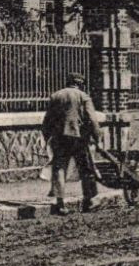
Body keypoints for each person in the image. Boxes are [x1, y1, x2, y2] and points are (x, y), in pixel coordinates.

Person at [42, 71, 101, 215]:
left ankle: (60, 204)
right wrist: (97, 138)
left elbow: (47, 121)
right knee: (85, 169)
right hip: (79, 138)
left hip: (60, 138)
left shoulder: (56, 96)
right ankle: (89, 201)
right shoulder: (83, 96)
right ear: (80, 84)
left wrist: (47, 138)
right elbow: (92, 120)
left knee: (59, 169)